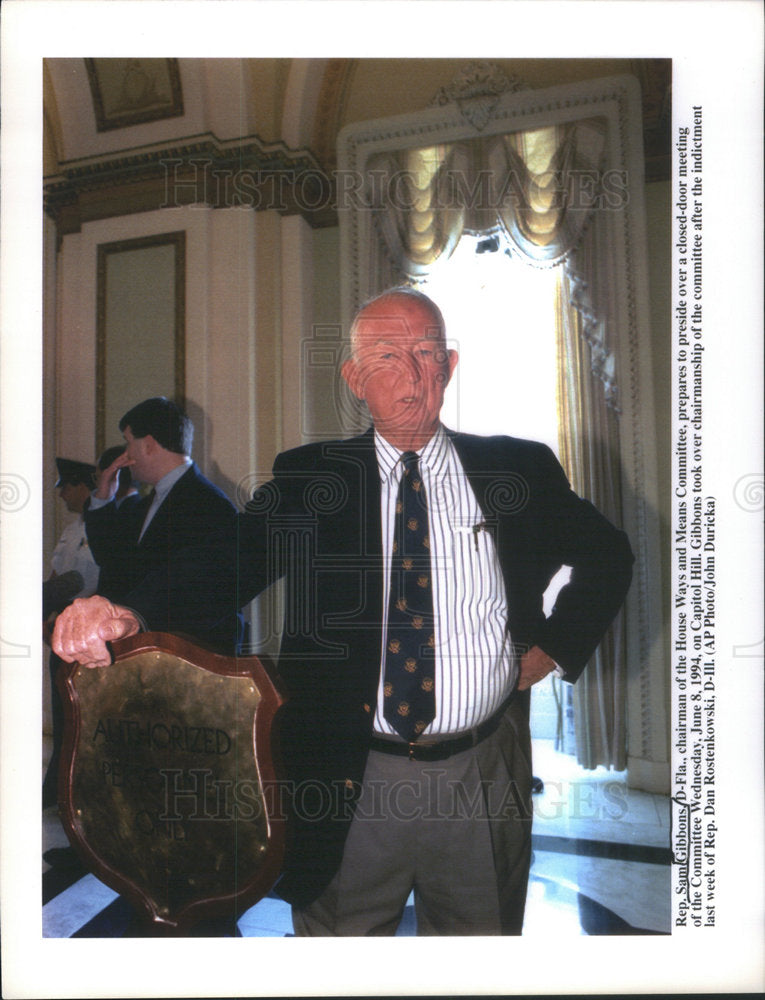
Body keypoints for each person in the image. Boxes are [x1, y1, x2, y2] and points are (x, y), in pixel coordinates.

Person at [54, 289, 634, 935]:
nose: (411, 375)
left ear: (450, 364)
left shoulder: (515, 467)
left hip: (483, 771)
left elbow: (607, 555)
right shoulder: (314, 478)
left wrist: (553, 648)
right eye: (387, 356)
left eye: (425, 353)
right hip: (348, 776)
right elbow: (231, 558)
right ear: (355, 379)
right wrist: (126, 607)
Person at [82, 397, 243, 651]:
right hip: (145, 657)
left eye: (128, 442)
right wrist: (103, 497)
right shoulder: (144, 506)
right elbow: (111, 561)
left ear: (147, 445)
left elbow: (211, 595)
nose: (126, 454)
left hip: (185, 661)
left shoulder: (210, 505)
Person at [43, 458, 100, 808]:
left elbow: (87, 582)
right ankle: (56, 787)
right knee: (62, 711)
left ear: (83, 487)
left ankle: (73, 792)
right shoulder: (71, 530)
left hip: (85, 629)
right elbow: (54, 577)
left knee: (81, 715)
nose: (62, 493)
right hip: (58, 627)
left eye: (66, 486)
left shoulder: (100, 529)